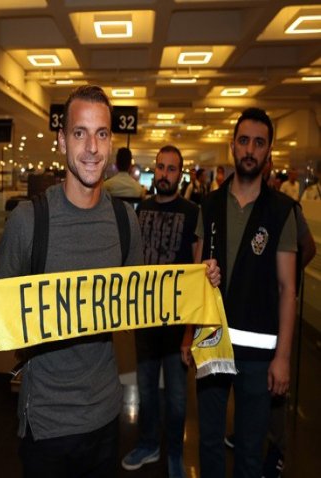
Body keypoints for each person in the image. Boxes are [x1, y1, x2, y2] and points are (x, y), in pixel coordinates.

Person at [0, 85, 145, 477]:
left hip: (105, 414)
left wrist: (196, 284)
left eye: (101, 134)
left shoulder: (126, 222)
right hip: (46, 422)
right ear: (62, 140)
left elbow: (136, 307)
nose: (92, 148)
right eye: (80, 133)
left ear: (110, 141)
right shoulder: (30, 220)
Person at [191, 107, 298, 478]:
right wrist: (190, 331)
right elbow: (195, 278)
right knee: (209, 442)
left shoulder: (281, 211)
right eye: (244, 141)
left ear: (268, 151)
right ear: (232, 146)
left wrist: (282, 358)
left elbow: (287, 288)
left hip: (259, 355)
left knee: (250, 450)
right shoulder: (210, 204)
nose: (250, 150)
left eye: (259, 143)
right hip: (212, 343)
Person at [223, 155, 316, 478]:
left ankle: (276, 449)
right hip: (245, 320)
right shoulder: (236, 204)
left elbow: (307, 247)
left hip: (274, 318)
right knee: (251, 393)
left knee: (274, 391)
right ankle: (249, 435)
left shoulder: (285, 208)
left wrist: (283, 280)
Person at [121, 145, 203, 478]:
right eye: (160, 167)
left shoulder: (192, 212)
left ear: (180, 174)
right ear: (153, 170)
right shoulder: (141, 209)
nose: (164, 174)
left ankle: (175, 454)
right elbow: (132, 264)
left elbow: (197, 275)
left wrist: (190, 331)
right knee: (146, 392)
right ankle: (148, 444)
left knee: (178, 399)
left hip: (177, 325)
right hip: (146, 321)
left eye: (171, 169)